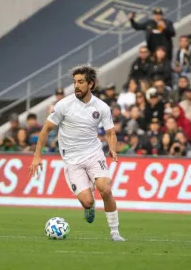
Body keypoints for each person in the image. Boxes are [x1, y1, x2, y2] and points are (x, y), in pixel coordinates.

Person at [28, 65, 125, 242]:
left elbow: (110, 132)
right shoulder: (64, 105)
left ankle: (115, 232)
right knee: (87, 201)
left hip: (94, 154)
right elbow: (46, 129)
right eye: (74, 82)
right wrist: (37, 156)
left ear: (91, 84)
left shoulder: (102, 107)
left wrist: (112, 147)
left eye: (81, 82)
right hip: (72, 160)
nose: (76, 86)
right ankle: (89, 207)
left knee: (106, 189)